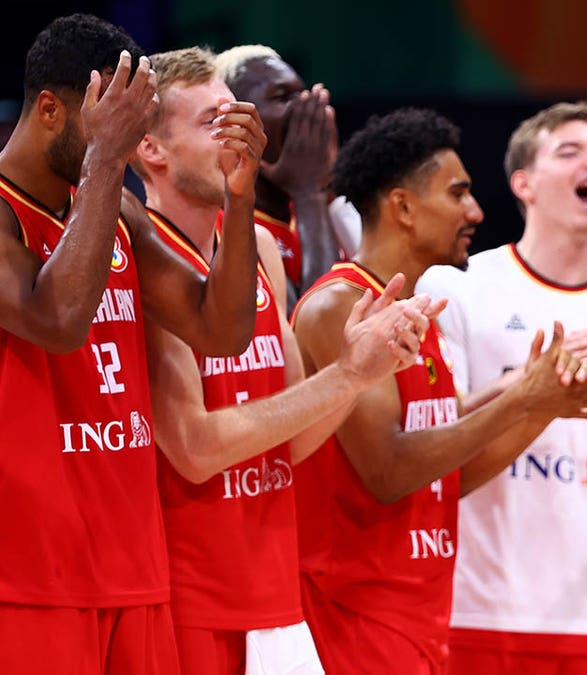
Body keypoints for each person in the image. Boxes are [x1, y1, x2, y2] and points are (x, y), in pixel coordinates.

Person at [131, 46, 436, 674]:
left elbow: (291, 442)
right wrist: (347, 375)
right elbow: (196, 447)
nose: (237, 138)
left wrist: (363, 368)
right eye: (212, 123)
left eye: (238, 118)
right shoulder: (144, 264)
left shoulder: (262, 250)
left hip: (278, 601)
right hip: (193, 606)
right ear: (150, 151)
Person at [290, 107, 587, 675]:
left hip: (419, 607)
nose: (475, 211)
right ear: (402, 207)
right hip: (351, 610)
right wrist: (522, 399)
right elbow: (390, 472)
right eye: (457, 194)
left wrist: (543, 405)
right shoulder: (340, 307)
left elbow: (447, 474)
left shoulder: (417, 314)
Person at [0, 13, 263, 674]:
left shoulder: (115, 209)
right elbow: (58, 321)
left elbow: (222, 329)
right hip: (30, 580)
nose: (132, 136)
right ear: (52, 110)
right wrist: (108, 160)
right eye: (113, 119)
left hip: (134, 567)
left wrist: (239, 197)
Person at [416, 101, 587, 674]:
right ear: (524, 183)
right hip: (479, 611)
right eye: (570, 152)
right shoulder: (458, 288)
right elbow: (432, 454)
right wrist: (527, 394)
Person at [215, 45, 356, 309]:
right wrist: (309, 191)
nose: (306, 108)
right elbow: (316, 330)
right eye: (283, 98)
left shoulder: (325, 209)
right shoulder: (225, 227)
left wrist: (325, 187)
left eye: (304, 95)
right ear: (236, 122)